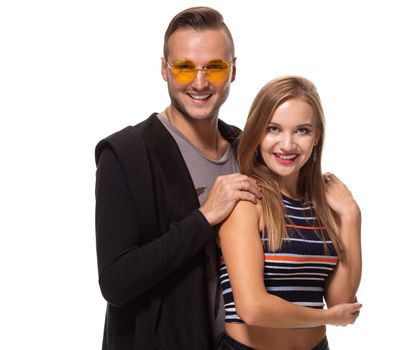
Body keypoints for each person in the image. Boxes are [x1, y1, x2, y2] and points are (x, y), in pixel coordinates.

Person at [94, 7, 261, 350]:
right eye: (184, 67)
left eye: (214, 67)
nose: (199, 83)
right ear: (163, 70)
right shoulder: (126, 154)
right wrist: (205, 218)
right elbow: (116, 281)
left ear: (233, 71)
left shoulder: (248, 150)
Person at [217, 76, 362, 350]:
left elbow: (342, 302)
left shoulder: (321, 206)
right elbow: (252, 308)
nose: (287, 144)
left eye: (302, 131)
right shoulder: (246, 203)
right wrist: (327, 317)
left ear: (317, 136)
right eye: (273, 129)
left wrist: (352, 218)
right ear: (257, 132)